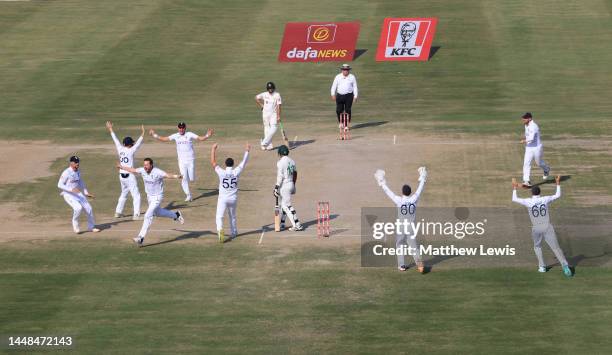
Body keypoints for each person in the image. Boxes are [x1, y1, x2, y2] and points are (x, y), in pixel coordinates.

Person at [512, 176, 572, 277]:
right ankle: (565, 267)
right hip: (547, 227)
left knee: (537, 246)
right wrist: (557, 183)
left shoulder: (529, 202)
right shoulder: (545, 199)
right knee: (556, 248)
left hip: (536, 228)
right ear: (539, 192)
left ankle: (542, 267)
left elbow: (514, 199)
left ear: (532, 193)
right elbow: (558, 195)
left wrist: (514, 188)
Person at [118, 158, 185, 247]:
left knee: (148, 215)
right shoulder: (142, 170)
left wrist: (177, 176)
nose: (145, 166)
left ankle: (140, 237)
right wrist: (122, 167)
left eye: (147, 165)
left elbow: (167, 175)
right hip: (149, 197)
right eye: (144, 164)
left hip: (158, 197)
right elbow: (133, 170)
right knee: (158, 212)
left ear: (151, 165)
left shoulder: (157, 172)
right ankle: (176, 215)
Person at [374, 167, 427, 273]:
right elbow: (420, 189)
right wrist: (423, 178)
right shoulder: (414, 199)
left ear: (402, 192)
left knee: (400, 245)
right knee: (413, 246)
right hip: (411, 227)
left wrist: (382, 182)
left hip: (401, 227)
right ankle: (420, 265)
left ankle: (401, 265)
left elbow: (388, 192)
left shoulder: (399, 200)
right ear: (410, 192)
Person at [149, 122, 213, 201]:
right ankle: (188, 195)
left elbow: (200, 138)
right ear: (178, 128)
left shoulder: (189, 134)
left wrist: (207, 135)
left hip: (190, 160)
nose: (181, 129)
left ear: (185, 128)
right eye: (180, 128)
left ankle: (189, 183)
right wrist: (154, 134)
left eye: (183, 128)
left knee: (192, 178)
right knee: (183, 178)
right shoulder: (176, 136)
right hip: (182, 161)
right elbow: (164, 139)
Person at [210, 142, 250, 243]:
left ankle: (220, 231)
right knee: (232, 216)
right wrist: (247, 150)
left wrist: (213, 149)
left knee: (219, 216)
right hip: (233, 199)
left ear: (225, 164)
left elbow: (213, 162)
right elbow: (244, 162)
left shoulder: (222, 172)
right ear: (233, 164)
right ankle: (234, 232)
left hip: (223, 199)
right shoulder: (236, 171)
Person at [106, 121, 144, 220]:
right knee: (136, 195)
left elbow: (115, 139)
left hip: (121, 176)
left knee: (123, 194)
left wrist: (110, 128)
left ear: (124, 144)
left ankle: (118, 212)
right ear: (130, 144)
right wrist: (143, 133)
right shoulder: (131, 150)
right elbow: (139, 143)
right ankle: (136, 215)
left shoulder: (120, 149)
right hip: (130, 175)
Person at [57, 156, 100, 234]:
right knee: (78, 208)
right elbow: (59, 185)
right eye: (76, 162)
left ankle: (91, 227)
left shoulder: (78, 171)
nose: (77, 164)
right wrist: (71, 189)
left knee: (89, 208)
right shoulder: (66, 172)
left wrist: (86, 192)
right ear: (71, 163)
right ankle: (75, 225)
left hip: (77, 193)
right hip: (68, 194)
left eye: (78, 162)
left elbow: (81, 182)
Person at [274, 145, 303, 231]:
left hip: (285, 186)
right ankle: (282, 223)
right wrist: (293, 184)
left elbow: (280, 176)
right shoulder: (292, 161)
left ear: (279, 153)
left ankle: (297, 224)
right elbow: (295, 173)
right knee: (283, 204)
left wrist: (276, 187)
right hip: (291, 184)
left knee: (287, 205)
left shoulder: (280, 163)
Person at [520, 112, 550, 187]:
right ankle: (526, 181)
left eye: (525, 118)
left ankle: (546, 169)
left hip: (537, 147)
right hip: (529, 147)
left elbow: (531, 138)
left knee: (539, 163)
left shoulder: (534, 126)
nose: (523, 120)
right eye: (523, 118)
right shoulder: (526, 125)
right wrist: (526, 141)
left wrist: (524, 141)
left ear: (530, 118)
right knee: (526, 163)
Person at [255, 82, 282, 151]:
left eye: (271, 88)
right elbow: (256, 97)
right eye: (269, 89)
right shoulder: (264, 94)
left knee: (274, 128)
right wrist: (261, 105)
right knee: (267, 128)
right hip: (265, 114)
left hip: (273, 114)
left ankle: (263, 143)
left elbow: (279, 106)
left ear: (273, 88)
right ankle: (269, 145)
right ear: (267, 89)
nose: (270, 90)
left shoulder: (277, 95)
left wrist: (278, 116)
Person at [330, 64, 358, 128]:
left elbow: (355, 87)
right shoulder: (338, 76)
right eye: (344, 70)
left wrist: (355, 96)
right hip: (339, 95)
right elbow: (334, 86)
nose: (345, 71)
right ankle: (341, 122)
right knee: (339, 110)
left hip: (349, 96)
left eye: (347, 70)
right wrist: (332, 94)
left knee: (348, 110)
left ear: (349, 70)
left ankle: (346, 125)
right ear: (342, 70)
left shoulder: (352, 77)